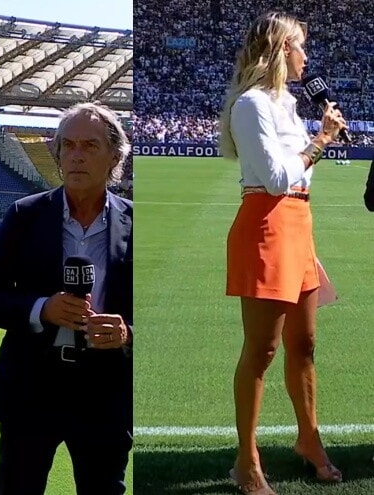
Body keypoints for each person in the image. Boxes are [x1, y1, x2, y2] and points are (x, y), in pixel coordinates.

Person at [218, 12, 348, 493]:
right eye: (299, 46)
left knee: (305, 344)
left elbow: (299, 175)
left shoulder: (288, 103)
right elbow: (275, 179)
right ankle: (246, 461)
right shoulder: (251, 104)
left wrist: (318, 143)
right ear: (280, 50)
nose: (306, 57)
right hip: (266, 225)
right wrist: (321, 140)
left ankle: (308, 440)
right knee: (263, 349)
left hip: (297, 224)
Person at [0, 101, 133, 495]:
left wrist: (127, 333)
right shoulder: (24, 215)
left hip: (105, 393)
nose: (76, 155)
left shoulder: (137, 221)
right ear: (58, 155)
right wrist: (41, 309)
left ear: (115, 157)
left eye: (90, 146)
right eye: (68, 146)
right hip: (32, 389)